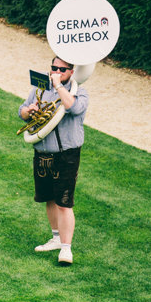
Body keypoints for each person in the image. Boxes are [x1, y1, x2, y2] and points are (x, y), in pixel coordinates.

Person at [18, 56, 89, 265]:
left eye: (62, 70)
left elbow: (73, 108)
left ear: (71, 72)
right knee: (48, 197)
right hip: (42, 152)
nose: (56, 72)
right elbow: (21, 110)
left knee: (64, 202)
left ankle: (66, 249)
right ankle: (56, 239)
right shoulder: (41, 88)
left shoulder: (79, 92)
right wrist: (28, 112)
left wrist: (58, 87)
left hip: (66, 154)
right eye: (54, 68)